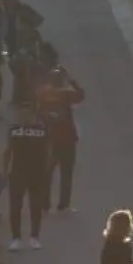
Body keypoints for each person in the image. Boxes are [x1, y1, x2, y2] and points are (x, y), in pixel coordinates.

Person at [3, 101, 52, 250]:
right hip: (17, 172)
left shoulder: (41, 130)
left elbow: (48, 151)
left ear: (32, 115)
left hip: (37, 173)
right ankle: (16, 238)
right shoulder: (14, 130)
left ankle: (34, 236)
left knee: (35, 206)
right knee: (15, 207)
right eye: (21, 114)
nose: (23, 117)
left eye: (26, 114)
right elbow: (8, 150)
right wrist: (5, 170)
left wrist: (47, 171)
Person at [38, 65, 84, 214]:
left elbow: (39, 113)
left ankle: (44, 203)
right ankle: (63, 205)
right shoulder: (65, 94)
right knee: (66, 173)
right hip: (67, 139)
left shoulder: (44, 94)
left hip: (50, 139)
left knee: (47, 172)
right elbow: (81, 95)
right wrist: (71, 79)